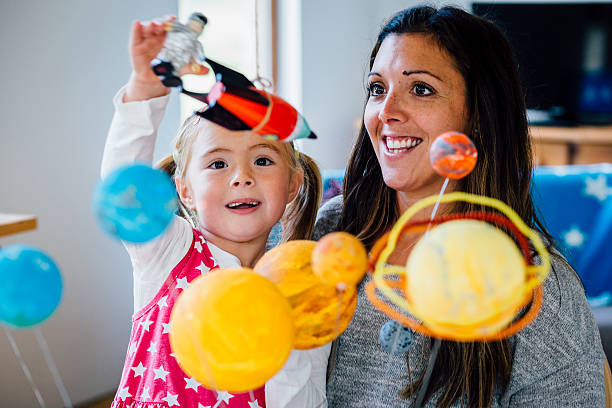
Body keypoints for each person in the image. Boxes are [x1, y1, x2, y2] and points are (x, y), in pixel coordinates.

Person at [313, 6, 607, 407]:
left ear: (479, 117)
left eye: (421, 89)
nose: (386, 112)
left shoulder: (535, 288)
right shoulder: (324, 232)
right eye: (378, 88)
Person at [101, 17, 329, 408]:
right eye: (218, 164)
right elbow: (124, 192)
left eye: (262, 160)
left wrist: (283, 330)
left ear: (292, 185)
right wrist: (145, 90)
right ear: (185, 189)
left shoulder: (299, 292)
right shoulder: (169, 251)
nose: (242, 177)